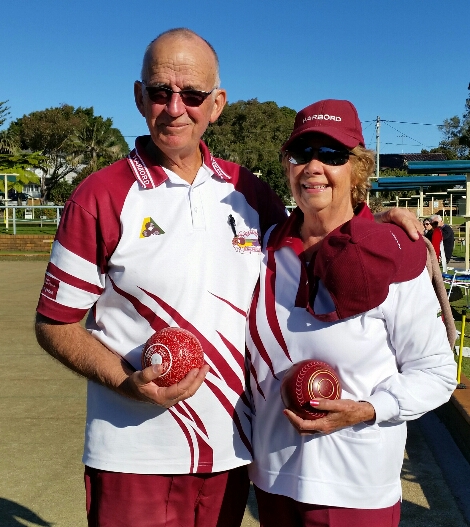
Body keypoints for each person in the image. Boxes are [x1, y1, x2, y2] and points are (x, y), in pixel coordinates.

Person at [34, 29, 423, 527]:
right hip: (134, 453)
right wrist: (126, 383)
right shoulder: (101, 195)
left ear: (216, 104)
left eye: (193, 95)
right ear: (139, 97)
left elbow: (317, 229)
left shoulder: (250, 192)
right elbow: (55, 324)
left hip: (232, 453)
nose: (175, 108)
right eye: (160, 91)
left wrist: (374, 223)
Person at [246, 99, 457, 527]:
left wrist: (367, 409)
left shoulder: (392, 255)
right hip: (271, 481)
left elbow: (437, 372)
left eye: (332, 155)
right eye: (301, 153)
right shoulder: (260, 248)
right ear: (287, 165)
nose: (313, 166)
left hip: (356, 489)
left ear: (357, 169)